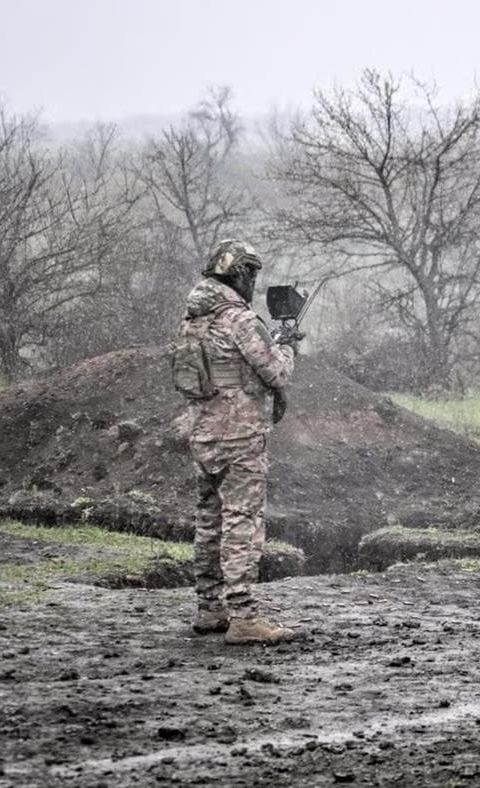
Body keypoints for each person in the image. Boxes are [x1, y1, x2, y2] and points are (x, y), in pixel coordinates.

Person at [177, 239, 299, 645]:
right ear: (240, 274)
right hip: (241, 435)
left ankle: (210, 608)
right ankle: (244, 616)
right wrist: (286, 346)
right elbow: (275, 374)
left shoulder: (192, 320)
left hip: (203, 433)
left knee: (209, 522)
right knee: (241, 522)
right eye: (252, 275)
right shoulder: (239, 321)